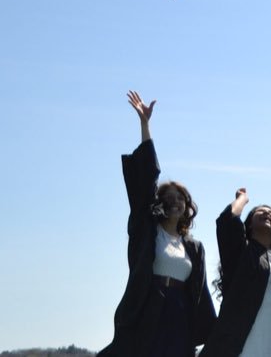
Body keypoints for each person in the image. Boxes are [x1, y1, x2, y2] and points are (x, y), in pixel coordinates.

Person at [100, 91, 217, 357]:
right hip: (149, 311)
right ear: (160, 203)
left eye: (180, 198)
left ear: (187, 207)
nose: (175, 202)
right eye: (169, 198)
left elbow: (200, 293)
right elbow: (148, 179)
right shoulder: (147, 231)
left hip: (180, 316)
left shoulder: (194, 248)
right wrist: (145, 125)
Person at [201, 189, 271, 357]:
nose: (266, 212)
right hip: (243, 339)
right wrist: (242, 199)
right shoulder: (240, 253)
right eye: (260, 211)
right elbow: (227, 221)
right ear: (250, 224)